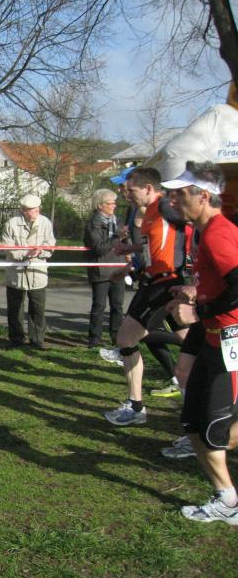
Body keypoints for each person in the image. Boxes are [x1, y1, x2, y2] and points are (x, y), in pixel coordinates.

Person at [164, 162, 238, 524]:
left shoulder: (218, 233)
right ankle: (227, 498)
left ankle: (229, 501)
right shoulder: (204, 232)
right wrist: (196, 294)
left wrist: (200, 310)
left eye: (180, 195)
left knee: (213, 430)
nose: (173, 201)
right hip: (212, 338)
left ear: (203, 197)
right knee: (192, 424)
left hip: (230, 339)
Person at [103, 167, 189, 426]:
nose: (127, 194)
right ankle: (198, 412)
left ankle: (136, 406)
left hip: (165, 283)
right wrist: (130, 253)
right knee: (193, 345)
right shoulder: (148, 211)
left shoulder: (165, 206)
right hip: (157, 281)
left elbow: (190, 224)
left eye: (132, 190)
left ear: (149, 188)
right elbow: (152, 245)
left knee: (126, 338)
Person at [2, 194, 56, 349]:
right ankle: (16, 339)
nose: (37, 211)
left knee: (38, 308)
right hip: (16, 273)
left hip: (38, 272)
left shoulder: (45, 222)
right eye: (33, 209)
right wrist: (25, 254)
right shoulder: (11, 224)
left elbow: (51, 244)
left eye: (38, 208)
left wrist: (40, 252)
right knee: (15, 309)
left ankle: (37, 340)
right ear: (23, 210)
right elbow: (8, 247)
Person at [83, 188, 126, 348]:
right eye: (110, 203)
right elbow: (99, 249)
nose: (114, 206)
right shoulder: (93, 224)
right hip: (100, 270)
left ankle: (117, 337)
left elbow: (125, 243)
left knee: (117, 306)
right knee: (99, 306)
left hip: (118, 268)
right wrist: (117, 238)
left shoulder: (118, 221)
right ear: (100, 205)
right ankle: (94, 339)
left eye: (114, 202)